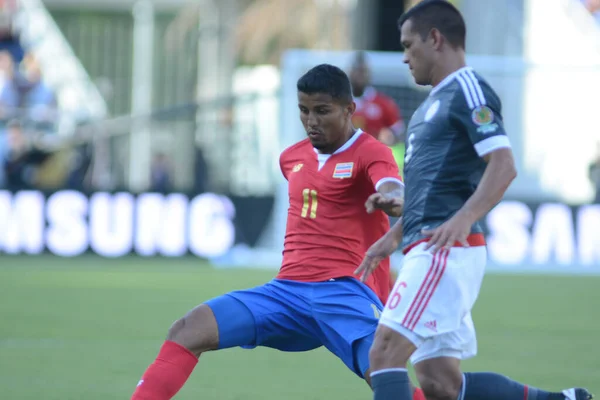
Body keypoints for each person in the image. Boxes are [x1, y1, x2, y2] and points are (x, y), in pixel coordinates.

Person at [130, 64, 425, 400]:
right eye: (304, 110)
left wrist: (393, 199)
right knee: (188, 329)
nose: (311, 120)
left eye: (322, 111)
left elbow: (392, 186)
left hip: (345, 294)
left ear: (349, 110)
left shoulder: (372, 151)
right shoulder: (292, 158)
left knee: (386, 375)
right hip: (285, 294)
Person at [354, 2, 594, 400]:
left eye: (409, 45)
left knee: (383, 355)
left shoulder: (467, 88)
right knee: (440, 384)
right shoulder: (430, 104)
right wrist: (395, 235)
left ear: (435, 39)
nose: (404, 56)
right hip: (426, 246)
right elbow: (435, 188)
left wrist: (464, 218)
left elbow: (503, 164)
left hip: (444, 250)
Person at [349, 51, 406, 172]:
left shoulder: (383, 103)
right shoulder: (340, 104)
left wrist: (391, 137)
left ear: (369, 74)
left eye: (363, 71)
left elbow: (400, 133)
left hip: (375, 165)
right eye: (356, 70)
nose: (360, 75)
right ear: (350, 72)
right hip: (347, 164)